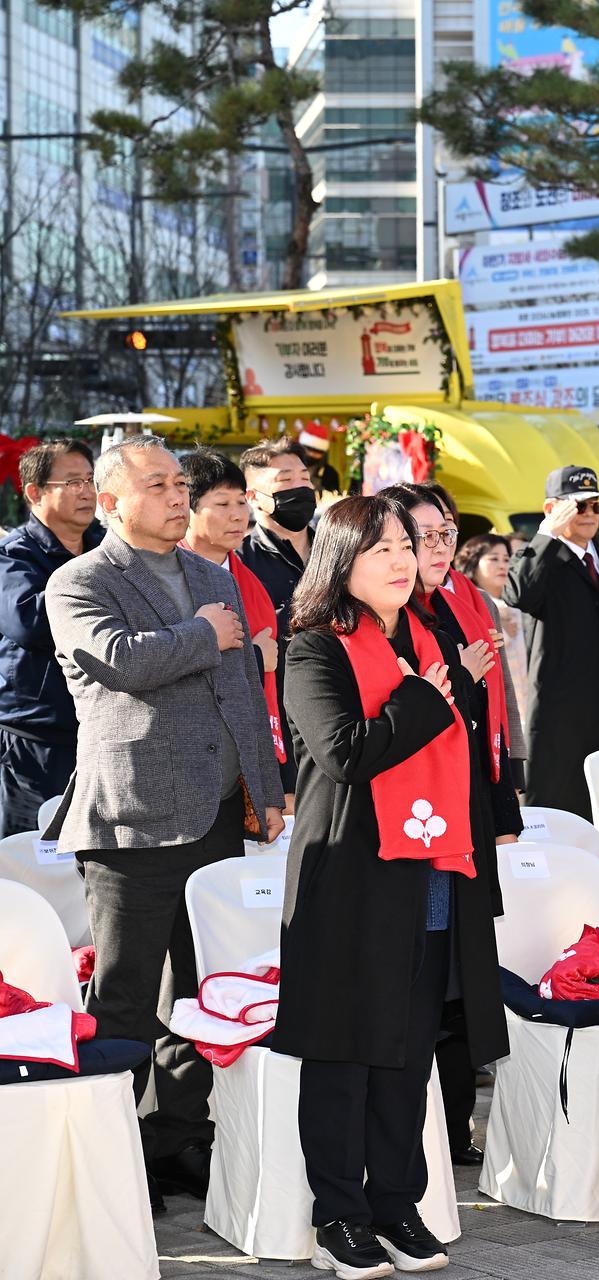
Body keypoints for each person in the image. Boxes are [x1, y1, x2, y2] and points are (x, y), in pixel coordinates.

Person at [45, 435, 283, 1208]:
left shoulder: (212, 574)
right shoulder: (79, 580)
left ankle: (178, 1138)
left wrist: (265, 787)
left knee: (202, 989)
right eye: (157, 485)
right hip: (132, 822)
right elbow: (118, 658)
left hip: (215, 814)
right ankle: (107, 1155)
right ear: (112, 503)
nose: (177, 496)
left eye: (181, 483)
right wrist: (202, 634)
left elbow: (245, 687)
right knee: (124, 996)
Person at [277, 495, 512, 1277]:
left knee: (408, 1053)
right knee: (346, 1052)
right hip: (349, 876)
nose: (403, 559)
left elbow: (460, 742)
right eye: (381, 548)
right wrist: (424, 695)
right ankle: (337, 1216)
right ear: (340, 561)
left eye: (406, 544)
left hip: (429, 872)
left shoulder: (427, 636)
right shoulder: (313, 647)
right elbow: (348, 753)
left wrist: (438, 693)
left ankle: (395, 1206)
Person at [386, 484, 523, 1169]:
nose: (437, 548)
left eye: (444, 535)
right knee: (429, 976)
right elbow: (411, 720)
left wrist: (504, 807)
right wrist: (462, 679)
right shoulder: (385, 622)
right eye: (421, 537)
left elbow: (489, 721)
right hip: (420, 828)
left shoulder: (458, 605)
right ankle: (424, 1134)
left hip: (467, 814)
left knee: (463, 978)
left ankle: (454, 1123)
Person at [504, 465, 599, 815]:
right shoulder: (540, 563)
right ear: (552, 509)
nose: (590, 514)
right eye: (579, 506)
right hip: (558, 730)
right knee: (556, 823)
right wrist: (547, 533)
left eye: (596, 506)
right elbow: (517, 592)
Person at [0, 439, 103, 834]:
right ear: (34, 492)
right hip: (34, 739)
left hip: (97, 734)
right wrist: (98, 591)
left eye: (90, 480)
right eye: (72, 481)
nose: (86, 491)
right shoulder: (14, 556)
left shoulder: (106, 549)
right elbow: (29, 620)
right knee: (29, 861)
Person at [179, 449, 290, 796]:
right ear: (186, 507)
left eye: (241, 503)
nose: (237, 515)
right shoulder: (169, 577)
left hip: (250, 744)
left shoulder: (248, 580)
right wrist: (256, 658)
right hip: (192, 755)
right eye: (222, 504)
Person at [236, 437, 317, 811]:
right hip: (276, 727)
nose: (300, 488)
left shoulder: (339, 551)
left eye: (304, 477)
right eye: (285, 481)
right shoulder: (238, 561)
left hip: (340, 720)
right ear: (253, 497)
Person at [453, 534, 530, 736]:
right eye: (493, 559)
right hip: (492, 710)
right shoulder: (464, 606)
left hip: (526, 707)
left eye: (506, 559)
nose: (502, 565)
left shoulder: (520, 607)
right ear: (473, 562)